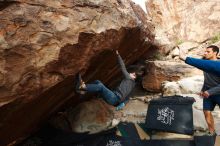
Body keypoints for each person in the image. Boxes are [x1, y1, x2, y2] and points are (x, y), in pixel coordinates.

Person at [179, 45, 220, 136]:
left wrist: (210, 92)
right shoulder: (205, 64)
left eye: (208, 51)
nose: (205, 53)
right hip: (208, 93)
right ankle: (212, 133)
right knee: (206, 112)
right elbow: (207, 80)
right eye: (205, 51)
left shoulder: (218, 64)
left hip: (218, 93)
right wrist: (203, 90)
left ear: (215, 53)